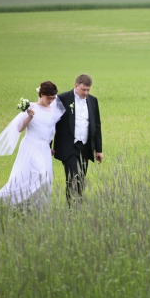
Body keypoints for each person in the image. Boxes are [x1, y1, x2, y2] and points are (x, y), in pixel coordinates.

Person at [0, 81, 65, 208]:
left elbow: (50, 130)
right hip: (31, 145)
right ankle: (6, 200)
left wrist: (49, 147)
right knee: (40, 175)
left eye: (53, 98)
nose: (51, 100)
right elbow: (19, 128)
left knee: (42, 179)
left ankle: (30, 205)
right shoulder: (31, 107)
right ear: (41, 94)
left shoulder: (54, 110)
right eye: (48, 97)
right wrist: (29, 117)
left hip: (44, 148)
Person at [53, 73, 103, 204]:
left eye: (88, 90)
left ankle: (78, 206)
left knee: (81, 178)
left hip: (86, 147)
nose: (86, 92)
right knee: (72, 178)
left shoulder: (93, 100)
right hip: (68, 146)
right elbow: (51, 123)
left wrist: (99, 150)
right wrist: (49, 145)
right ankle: (72, 210)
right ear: (76, 85)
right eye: (83, 89)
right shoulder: (62, 99)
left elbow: (97, 126)